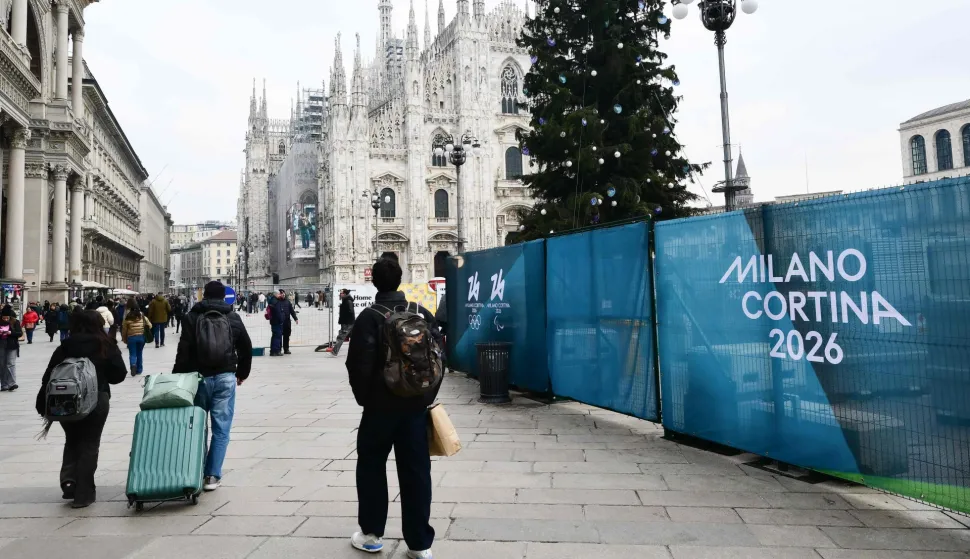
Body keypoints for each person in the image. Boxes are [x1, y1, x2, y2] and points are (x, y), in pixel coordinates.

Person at [346, 258, 440, 558]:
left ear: (374, 281)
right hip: (414, 408)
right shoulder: (421, 313)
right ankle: (420, 544)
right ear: (401, 280)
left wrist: (367, 399)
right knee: (416, 471)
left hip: (379, 409)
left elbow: (358, 365)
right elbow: (439, 358)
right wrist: (424, 396)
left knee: (372, 466)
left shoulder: (369, 317)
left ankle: (372, 534)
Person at [35, 310, 127, 508]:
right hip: (97, 400)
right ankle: (84, 493)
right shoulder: (105, 344)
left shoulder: (66, 345)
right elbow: (119, 374)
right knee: (90, 443)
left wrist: (42, 401)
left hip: (65, 402)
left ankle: (69, 481)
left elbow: (48, 375)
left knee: (72, 440)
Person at [173, 281, 252, 492]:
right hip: (225, 377)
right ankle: (212, 476)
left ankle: (195, 471)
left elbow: (184, 351)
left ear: (204, 295)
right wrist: (242, 373)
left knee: (197, 426)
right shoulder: (232, 317)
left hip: (198, 379)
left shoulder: (192, 317)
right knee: (221, 429)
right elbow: (246, 347)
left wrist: (178, 378)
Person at [121, 306, 151, 376]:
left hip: (131, 337)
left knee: (132, 353)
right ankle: (139, 370)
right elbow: (150, 326)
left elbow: (124, 330)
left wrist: (124, 339)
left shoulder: (127, 318)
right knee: (139, 353)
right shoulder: (143, 317)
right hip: (141, 337)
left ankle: (133, 365)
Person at [0, 306, 23, 392]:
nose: (5, 319)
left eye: (7, 317)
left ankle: (12, 383)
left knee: (10, 363)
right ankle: (4, 384)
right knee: (2, 365)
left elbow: (19, 333)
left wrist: (10, 333)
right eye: (4, 318)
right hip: (1, 345)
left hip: (12, 345)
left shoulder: (15, 322)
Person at [331, 289, 355, 357]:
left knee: (341, 337)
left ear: (345, 294)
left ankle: (334, 351)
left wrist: (346, 322)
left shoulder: (348, 301)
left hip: (347, 323)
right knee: (354, 338)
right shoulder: (345, 301)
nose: (340, 294)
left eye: (341, 293)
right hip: (347, 323)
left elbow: (351, 313)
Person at [276, 290, 299, 355]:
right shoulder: (276, 302)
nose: (283, 294)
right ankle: (279, 350)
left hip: (287, 322)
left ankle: (286, 349)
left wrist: (295, 319)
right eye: (281, 293)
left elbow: (292, 311)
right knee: (279, 336)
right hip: (279, 322)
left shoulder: (287, 302)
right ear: (279, 294)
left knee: (286, 336)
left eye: (283, 293)